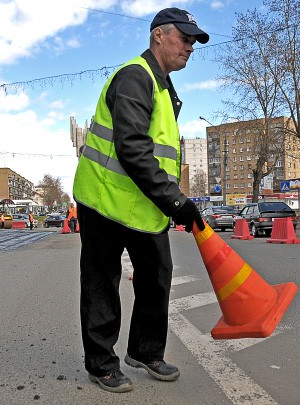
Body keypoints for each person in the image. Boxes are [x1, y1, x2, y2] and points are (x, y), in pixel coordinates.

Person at [72, 7, 208, 393]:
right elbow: (132, 147)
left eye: (194, 41)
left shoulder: (163, 86)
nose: (190, 47)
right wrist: (176, 201)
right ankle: (101, 363)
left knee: (157, 275)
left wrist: (172, 200)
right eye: (184, 38)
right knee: (102, 281)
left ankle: (145, 351)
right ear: (159, 36)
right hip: (103, 199)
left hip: (140, 202)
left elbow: (156, 153)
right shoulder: (136, 76)